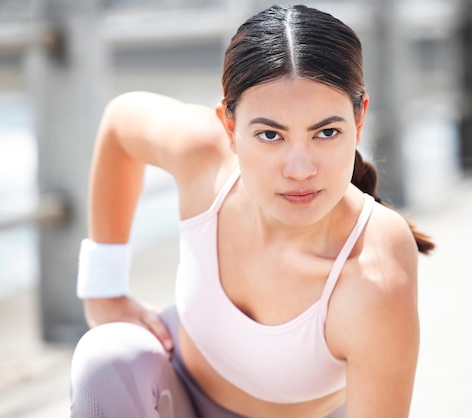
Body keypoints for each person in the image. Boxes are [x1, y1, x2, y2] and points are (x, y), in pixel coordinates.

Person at [70, 4, 434, 418]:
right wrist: (104, 290)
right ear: (229, 127)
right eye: (269, 134)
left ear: (359, 119)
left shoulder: (374, 263)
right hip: (176, 396)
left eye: (326, 132)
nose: (300, 169)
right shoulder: (204, 157)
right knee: (106, 357)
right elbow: (121, 123)